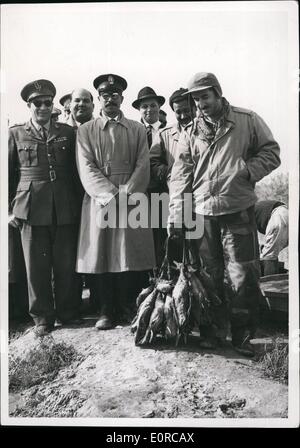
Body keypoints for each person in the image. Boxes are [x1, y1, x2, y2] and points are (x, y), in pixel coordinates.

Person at [168, 72, 281, 356]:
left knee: (243, 274)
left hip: (237, 209)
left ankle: (242, 335)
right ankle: (213, 332)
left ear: (218, 94)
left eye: (205, 96)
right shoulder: (190, 131)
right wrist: (176, 214)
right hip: (203, 212)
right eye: (196, 99)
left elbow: (271, 152)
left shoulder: (246, 120)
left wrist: (247, 171)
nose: (201, 103)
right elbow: (180, 176)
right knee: (208, 275)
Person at [76, 73, 156, 330]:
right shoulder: (86, 130)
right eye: (105, 95)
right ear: (98, 99)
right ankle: (105, 310)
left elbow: (144, 163)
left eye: (115, 95)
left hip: (132, 200)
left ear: (122, 98)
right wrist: (109, 195)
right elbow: (86, 166)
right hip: (100, 200)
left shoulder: (137, 129)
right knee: (102, 255)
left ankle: (128, 306)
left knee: (129, 253)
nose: (110, 99)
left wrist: (128, 194)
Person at [9, 79, 83, 337]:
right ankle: (42, 316)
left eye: (47, 103)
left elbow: (76, 173)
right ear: (29, 105)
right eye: (37, 103)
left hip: (64, 205)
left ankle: (69, 311)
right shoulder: (15, 134)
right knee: (36, 266)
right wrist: (9, 211)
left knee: (65, 262)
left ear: (53, 105)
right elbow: (7, 175)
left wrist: (80, 205)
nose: (42, 107)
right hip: (29, 207)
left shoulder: (67, 132)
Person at [149, 88, 194, 265]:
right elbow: (152, 162)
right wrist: (171, 174)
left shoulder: (205, 131)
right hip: (176, 200)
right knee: (177, 249)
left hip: (201, 198)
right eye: (178, 112)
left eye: (187, 111)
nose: (183, 116)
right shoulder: (164, 134)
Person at [254, 200, 288, 275]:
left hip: (278, 216)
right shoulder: (254, 209)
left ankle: (269, 282)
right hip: (288, 213)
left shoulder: (245, 213)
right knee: (272, 253)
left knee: (269, 256)